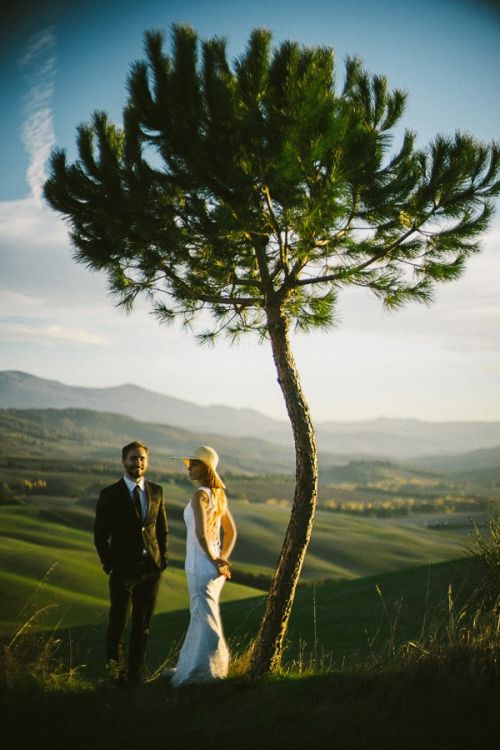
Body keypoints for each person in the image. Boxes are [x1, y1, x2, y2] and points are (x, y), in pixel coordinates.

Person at [94, 441, 168, 685]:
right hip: (122, 570)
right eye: (133, 458)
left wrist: (162, 561)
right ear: (123, 461)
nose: (138, 463)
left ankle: (136, 676)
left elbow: (162, 530)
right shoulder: (110, 494)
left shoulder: (156, 491)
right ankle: (116, 678)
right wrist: (110, 565)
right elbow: (99, 535)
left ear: (147, 461)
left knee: (142, 626)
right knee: (118, 626)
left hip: (150, 570)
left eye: (142, 458)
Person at [168, 446, 237, 686]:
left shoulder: (200, 495)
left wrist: (215, 559)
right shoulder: (218, 496)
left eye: (194, 464)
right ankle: (195, 667)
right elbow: (230, 532)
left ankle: (209, 673)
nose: (189, 467)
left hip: (200, 565)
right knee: (201, 615)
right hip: (212, 566)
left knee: (203, 616)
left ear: (205, 468)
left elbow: (200, 533)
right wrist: (221, 558)